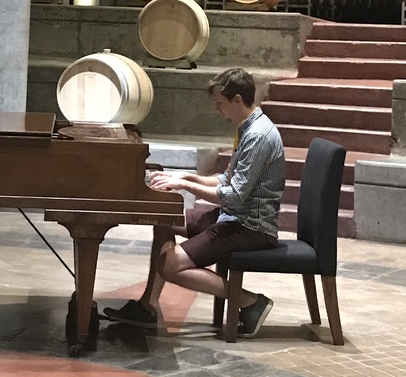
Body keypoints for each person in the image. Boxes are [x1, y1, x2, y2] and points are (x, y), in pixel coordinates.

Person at [103, 67, 285, 338]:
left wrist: (185, 185)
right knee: (164, 220)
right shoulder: (248, 128)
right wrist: (186, 175)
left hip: (250, 227)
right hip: (234, 218)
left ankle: (249, 301)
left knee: (171, 265)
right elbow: (227, 179)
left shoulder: (258, 135)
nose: (217, 109)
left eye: (220, 103)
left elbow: (234, 196)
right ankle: (147, 307)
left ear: (237, 100)